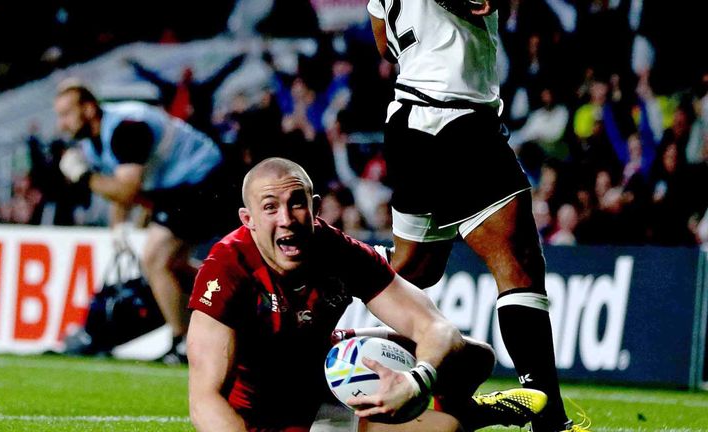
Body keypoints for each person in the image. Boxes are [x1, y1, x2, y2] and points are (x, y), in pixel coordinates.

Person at [186, 158, 547, 432]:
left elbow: (437, 329)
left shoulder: (339, 252)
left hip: (321, 369)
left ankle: (464, 410)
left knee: (471, 358)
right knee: (445, 429)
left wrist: (414, 380)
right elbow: (204, 399)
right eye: (270, 207)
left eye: (297, 203)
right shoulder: (227, 267)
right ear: (247, 219)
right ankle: (465, 418)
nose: (286, 219)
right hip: (265, 409)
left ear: (313, 208)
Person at [366, 1, 586, 431]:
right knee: (518, 261)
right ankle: (551, 423)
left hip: (410, 121)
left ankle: (323, 288)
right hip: (454, 116)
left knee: (410, 272)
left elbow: (383, 43)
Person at [54, 80, 240, 365]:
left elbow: (127, 189)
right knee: (171, 266)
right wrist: (119, 226)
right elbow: (121, 186)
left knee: (155, 259)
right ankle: (235, 295)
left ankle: (182, 343)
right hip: (182, 186)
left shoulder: (126, 129)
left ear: (89, 109)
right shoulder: (98, 136)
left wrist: (84, 177)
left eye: (66, 114)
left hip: (204, 180)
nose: (62, 124)